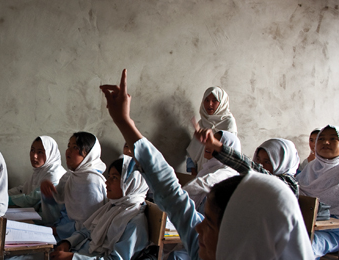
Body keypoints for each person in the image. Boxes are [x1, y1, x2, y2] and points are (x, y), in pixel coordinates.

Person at [100, 69, 313, 259]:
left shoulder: (213, 247)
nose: (198, 227)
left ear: (242, 235)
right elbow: (172, 194)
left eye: (210, 222)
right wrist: (124, 122)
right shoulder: (208, 250)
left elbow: (176, 195)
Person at [51, 158, 149, 260]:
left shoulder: (134, 222)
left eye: (114, 178)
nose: (107, 182)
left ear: (130, 183)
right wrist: (68, 243)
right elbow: (87, 232)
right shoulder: (112, 207)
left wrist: (73, 258)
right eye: (109, 177)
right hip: (80, 252)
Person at [40, 132, 107, 240]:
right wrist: (48, 192)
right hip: (62, 229)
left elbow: (89, 225)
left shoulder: (91, 182)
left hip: (77, 238)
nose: (68, 151)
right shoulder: (71, 175)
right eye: (68, 146)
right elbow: (58, 203)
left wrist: (57, 231)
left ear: (89, 154)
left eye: (75, 147)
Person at [297, 125, 339, 258]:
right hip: (305, 224)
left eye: (333, 138)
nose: (326, 142)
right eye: (321, 139)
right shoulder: (309, 168)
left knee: (305, 245)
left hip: (333, 230)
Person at [8, 136, 66, 225]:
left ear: (50, 153)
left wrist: (4, 199)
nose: (34, 156)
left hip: (52, 222)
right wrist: (3, 193)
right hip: (39, 214)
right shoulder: (40, 171)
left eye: (40, 152)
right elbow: (22, 188)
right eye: (32, 150)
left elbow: (31, 199)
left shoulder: (54, 174)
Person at [182, 130, 241, 212]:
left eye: (215, 144)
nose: (208, 146)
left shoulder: (228, 172)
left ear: (227, 149)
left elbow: (202, 184)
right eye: (210, 141)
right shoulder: (209, 167)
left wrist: (177, 195)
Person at [186, 87, 237, 175]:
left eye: (214, 100)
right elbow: (192, 152)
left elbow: (229, 153)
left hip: (219, 175)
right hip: (200, 173)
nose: (210, 104)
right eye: (207, 100)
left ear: (222, 103)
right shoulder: (202, 123)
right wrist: (194, 174)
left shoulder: (228, 123)